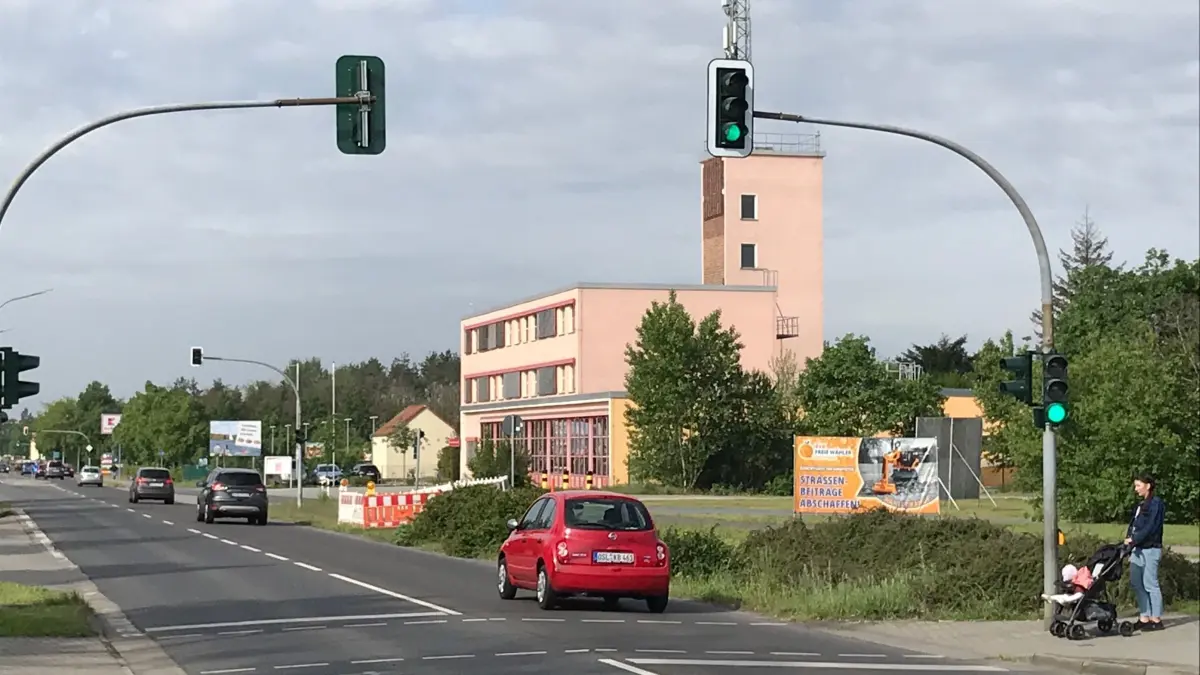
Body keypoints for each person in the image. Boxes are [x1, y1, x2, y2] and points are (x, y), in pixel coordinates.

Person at [1125, 473, 1165, 631]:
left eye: (1138, 485)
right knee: (1136, 582)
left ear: (1148, 486)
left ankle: (1156, 619)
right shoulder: (1141, 505)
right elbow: (1134, 524)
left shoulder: (1156, 504)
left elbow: (1151, 527)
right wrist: (1129, 538)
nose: (1136, 489)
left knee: (1150, 584)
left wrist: (1135, 539)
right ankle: (1144, 616)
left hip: (1150, 548)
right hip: (1137, 549)